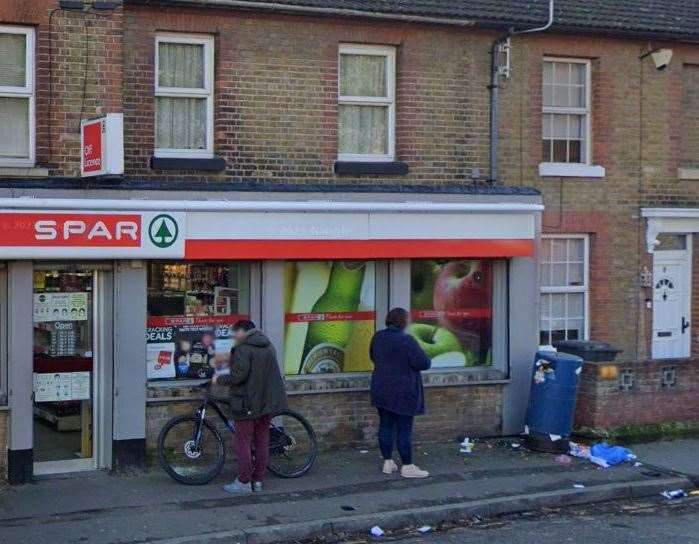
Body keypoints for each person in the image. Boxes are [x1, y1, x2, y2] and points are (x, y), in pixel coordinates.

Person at [212, 319, 287, 493]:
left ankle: (244, 482)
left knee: (243, 442)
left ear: (242, 332)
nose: (233, 337)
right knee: (262, 440)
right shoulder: (268, 346)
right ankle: (258, 481)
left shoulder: (243, 348)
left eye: (234, 333)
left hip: (247, 402)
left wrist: (219, 379)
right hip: (265, 403)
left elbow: (239, 376)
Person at [369, 307, 432, 479]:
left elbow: (373, 357)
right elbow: (424, 363)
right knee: (404, 429)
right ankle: (407, 466)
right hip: (403, 391)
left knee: (385, 426)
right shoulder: (407, 340)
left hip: (381, 389)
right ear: (404, 322)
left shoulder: (378, 337)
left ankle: (388, 462)